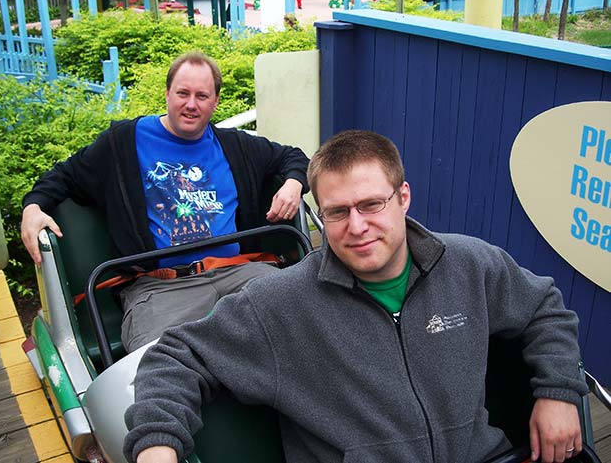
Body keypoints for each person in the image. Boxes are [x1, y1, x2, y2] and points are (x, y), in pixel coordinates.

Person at [123, 130, 587, 463]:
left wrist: (558, 392)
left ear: (403, 197)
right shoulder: (282, 303)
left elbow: (545, 307)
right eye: (337, 212)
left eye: (371, 204)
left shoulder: (469, 264)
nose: (357, 226)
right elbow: (177, 356)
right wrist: (158, 443)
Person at [20, 51, 309, 352]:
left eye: (202, 96)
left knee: (302, 327)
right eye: (182, 93)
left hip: (238, 272)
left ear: (215, 102)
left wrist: (292, 184)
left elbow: (294, 157)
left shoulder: (236, 145)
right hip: (161, 287)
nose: (191, 104)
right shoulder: (123, 143)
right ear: (168, 94)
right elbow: (63, 176)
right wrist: (33, 208)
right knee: (159, 366)